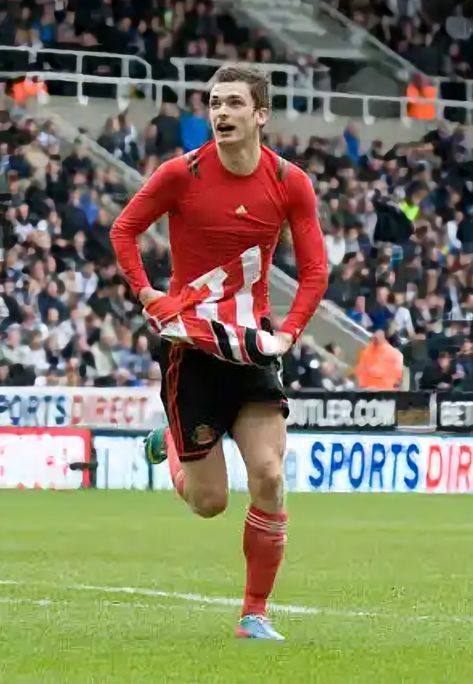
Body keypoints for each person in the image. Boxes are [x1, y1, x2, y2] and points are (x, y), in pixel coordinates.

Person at [110, 64, 328, 640]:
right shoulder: (180, 174)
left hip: (252, 346)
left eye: (234, 103)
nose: (221, 113)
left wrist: (289, 333)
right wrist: (146, 291)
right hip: (191, 348)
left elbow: (314, 271)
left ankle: (253, 614)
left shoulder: (290, 182)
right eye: (214, 103)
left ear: (260, 115)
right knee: (210, 503)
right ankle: (172, 447)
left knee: (270, 473)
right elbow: (123, 231)